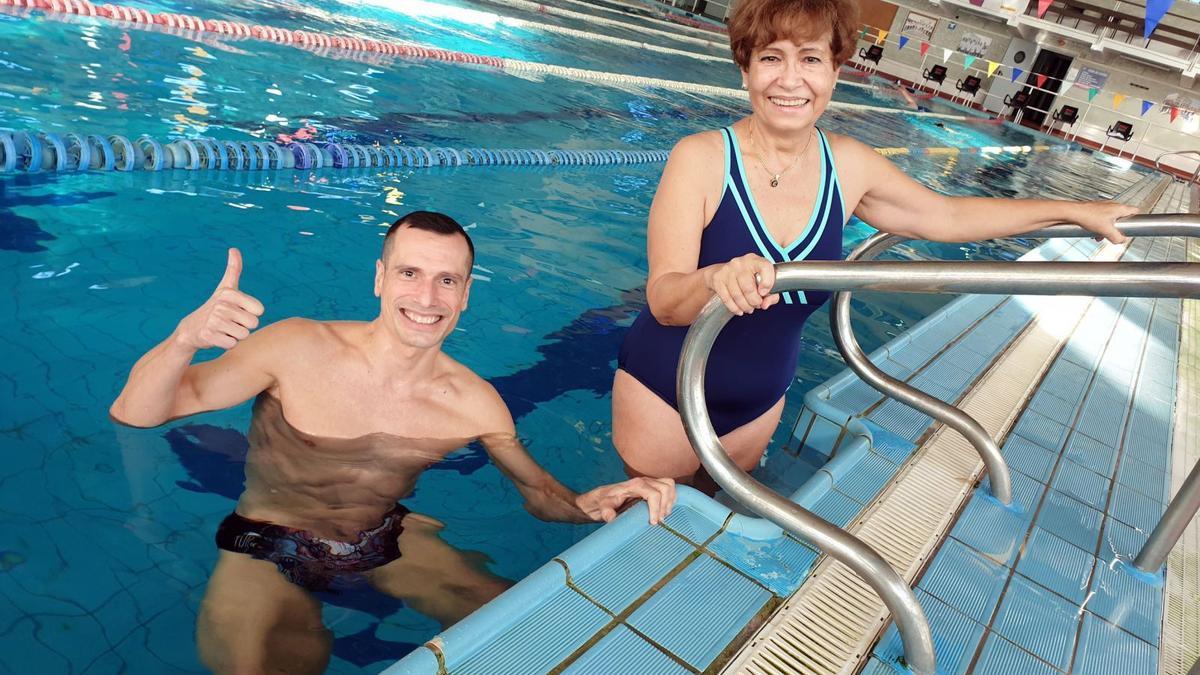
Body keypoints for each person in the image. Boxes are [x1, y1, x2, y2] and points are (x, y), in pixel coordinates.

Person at [110, 210, 676, 674]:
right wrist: (185, 340)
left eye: (446, 280)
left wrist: (587, 505)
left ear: (465, 294)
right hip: (267, 539)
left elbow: (538, 493)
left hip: (382, 535)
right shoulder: (295, 348)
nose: (426, 297)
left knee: (530, 628)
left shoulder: (474, 403)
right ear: (380, 279)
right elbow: (135, 414)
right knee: (254, 668)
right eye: (410, 274)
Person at [613, 0, 1136, 489]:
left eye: (811, 59)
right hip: (666, 392)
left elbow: (947, 215)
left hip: (758, 403)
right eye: (771, 58)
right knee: (639, 535)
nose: (790, 80)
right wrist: (713, 279)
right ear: (745, 69)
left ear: (835, 73)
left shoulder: (849, 166)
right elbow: (663, 300)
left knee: (715, 524)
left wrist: (1071, 209)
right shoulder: (700, 159)